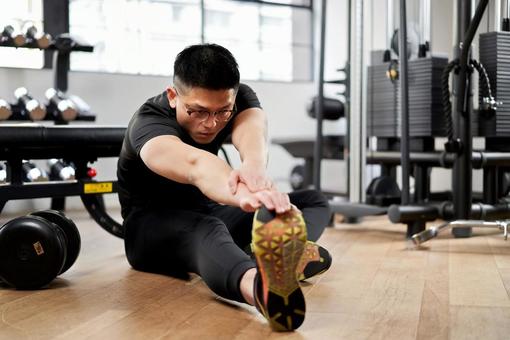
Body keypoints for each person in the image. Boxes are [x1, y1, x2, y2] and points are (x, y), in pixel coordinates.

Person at [117, 43, 332, 331]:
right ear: (172, 96)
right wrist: (245, 194)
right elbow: (197, 166)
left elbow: (253, 127)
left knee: (311, 199)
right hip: (148, 230)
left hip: (206, 211)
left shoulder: (237, 98)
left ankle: (266, 256)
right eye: (199, 112)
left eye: (223, 112)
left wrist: (254, 167)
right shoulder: (148, 124)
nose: (212, 123)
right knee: (208, 229)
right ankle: (257, 286)